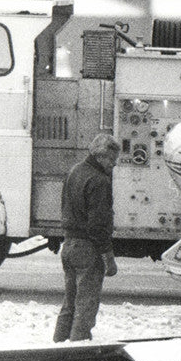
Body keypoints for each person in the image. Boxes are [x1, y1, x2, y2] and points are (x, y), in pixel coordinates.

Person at [53, 133, 121, 342]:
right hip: (87, 249)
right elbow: (98, 225)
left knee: (70, 302)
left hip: (69, 244)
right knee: (86, 306)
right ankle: (78, 350)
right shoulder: (99, 180)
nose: (113, 165)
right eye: (112, 160)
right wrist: (108, 256)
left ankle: (58, 344)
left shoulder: (74, 171)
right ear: (101, 156)